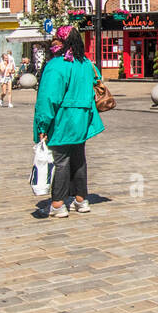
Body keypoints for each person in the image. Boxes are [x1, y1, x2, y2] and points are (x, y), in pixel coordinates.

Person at [34, 26, 104, 216]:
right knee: (78, 159)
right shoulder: (86, 64)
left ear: (64, 42)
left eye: (57, 38)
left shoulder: (56, 65)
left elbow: (48, 98)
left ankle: (58, 204)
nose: (53, 42)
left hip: (62, 118)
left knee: (61, 161)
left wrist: (42, 125)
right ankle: (81, 200)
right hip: (82, 118)